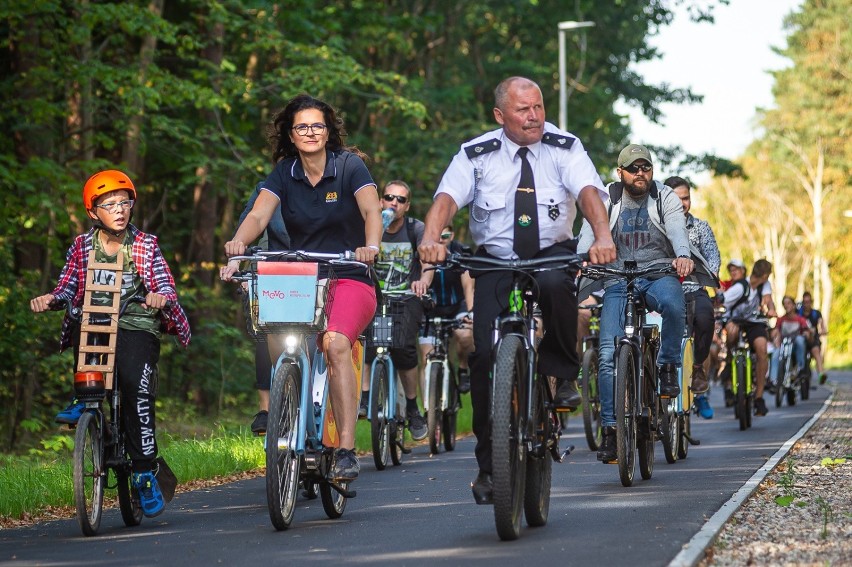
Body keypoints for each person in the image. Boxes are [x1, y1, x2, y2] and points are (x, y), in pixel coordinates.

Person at [418, 76, 616, 505]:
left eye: (538, 107)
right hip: (495, 261)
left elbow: (587, 192)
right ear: (500, 115)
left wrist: (601, 235)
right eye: (523, 109)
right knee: (486, 356)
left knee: (556, 285)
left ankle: (561, 374)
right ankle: (490, 468)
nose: (534, 116)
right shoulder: (477, 153)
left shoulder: (565, 147)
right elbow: (448, 198)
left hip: (550, 254)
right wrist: (431, 237)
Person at [222, 94, 380, 483]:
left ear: (329, 132)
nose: (310, 133)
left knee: (336, 344)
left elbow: (371, 210)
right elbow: (259, 214)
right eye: (302, 127)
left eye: (318, 126)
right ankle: (289, 411)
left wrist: (371, 246)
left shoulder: (349, 166)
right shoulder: (284, 172)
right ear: (291, 135)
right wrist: (237, 248)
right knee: (280, 341)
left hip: (349, 273)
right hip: (300, 275)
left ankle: (344, 448)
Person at [31, 169, 191, 518]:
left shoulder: (145, 244)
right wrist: (52, 299)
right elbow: (68, 286)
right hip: (98, 319)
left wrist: (160, 297)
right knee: (82, 320)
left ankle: (145, 473)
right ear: (93, 212)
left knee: (136, 390)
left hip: (136, 322)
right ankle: (85, 396)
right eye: (109, 204)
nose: (119, 209)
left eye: (124, 202)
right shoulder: (81, 246)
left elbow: (164, 283)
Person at [578, 145, 716, 464]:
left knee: (673, 303)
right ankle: (611, 432)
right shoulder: (606, 197)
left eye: (646, 167)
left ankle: (667, 366)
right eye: (633, 168)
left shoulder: (664, 196)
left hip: (658, 272)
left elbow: (677, 228)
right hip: (617, 277)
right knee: (608, 354)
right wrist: (581, 258)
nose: (641, 173)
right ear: (620, 172)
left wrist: (682, 256)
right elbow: (588, 232)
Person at [360, 179, 431, 440]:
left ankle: (413, 408)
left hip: (406, 297)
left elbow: (427, 262)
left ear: (407, 206)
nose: (394, 203)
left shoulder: (415, 229)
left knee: (403, 348)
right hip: (375, 295)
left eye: (400, 200)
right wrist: (376, 231)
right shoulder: (371, 226)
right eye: (389, 197)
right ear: (381, 201)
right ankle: (365, 398)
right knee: (366, 341)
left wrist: (423, 281)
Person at [223, 183, 290, 435]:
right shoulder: (269, 188)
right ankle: (266, 409)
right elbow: (247, 231)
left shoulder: (325, 186)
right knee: (265, 332)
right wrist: (236, 263)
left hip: (309, 269)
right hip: (269, 272)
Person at [665, 175, 721, 420]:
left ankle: (698, 373)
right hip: (664, 287)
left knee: (706, 318)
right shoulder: (658, 226)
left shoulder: (700, 227)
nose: (682, 204)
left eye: (685, 198)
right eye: (676, 199)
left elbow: (713, 257)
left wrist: (713, 271)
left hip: (694, 287)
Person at [418, 224, 475, 393]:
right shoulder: (425, 250)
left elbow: (468, 287)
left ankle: (463, 368)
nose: (441, 240)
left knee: (465, 335)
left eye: (445, 236)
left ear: (452, 236)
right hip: (432, 308)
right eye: (438, 237)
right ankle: (429, 410)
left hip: (457, 305)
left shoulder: (459, 251)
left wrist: (471, 312)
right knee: (426, 357)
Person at [720, 258, 777, 416]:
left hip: (755, 323)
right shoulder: (740, 287)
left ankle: (759, 398)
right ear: (765, 275)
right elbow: (722, 300)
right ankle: (730, 360)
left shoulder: (765, 285)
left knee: (762, 349)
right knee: (731, 332)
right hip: (737, 321)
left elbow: (768, 300)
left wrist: (771, 309)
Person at [771, 295, 811, 382]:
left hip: (795, 348)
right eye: (784, 304)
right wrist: (775, 335)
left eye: (788, 303)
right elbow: (776, 331)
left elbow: (806, 331)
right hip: (783, 346)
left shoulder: (800, 320)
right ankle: (773, 380)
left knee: (799, 339)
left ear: (793, 305)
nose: (786, 306)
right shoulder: (781, 319)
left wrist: (806, 333)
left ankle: (800, 368)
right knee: (775, 354)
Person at [798, 291, 828, 385]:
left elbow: (821, 323)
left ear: (811, 302)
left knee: (816, 351)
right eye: (805, 302)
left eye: (808, 302)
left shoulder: (816, 313)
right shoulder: (799, 312)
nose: (807, 304)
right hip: (801, 338)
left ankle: (821, 374)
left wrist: (823, 330)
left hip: (813, 339)